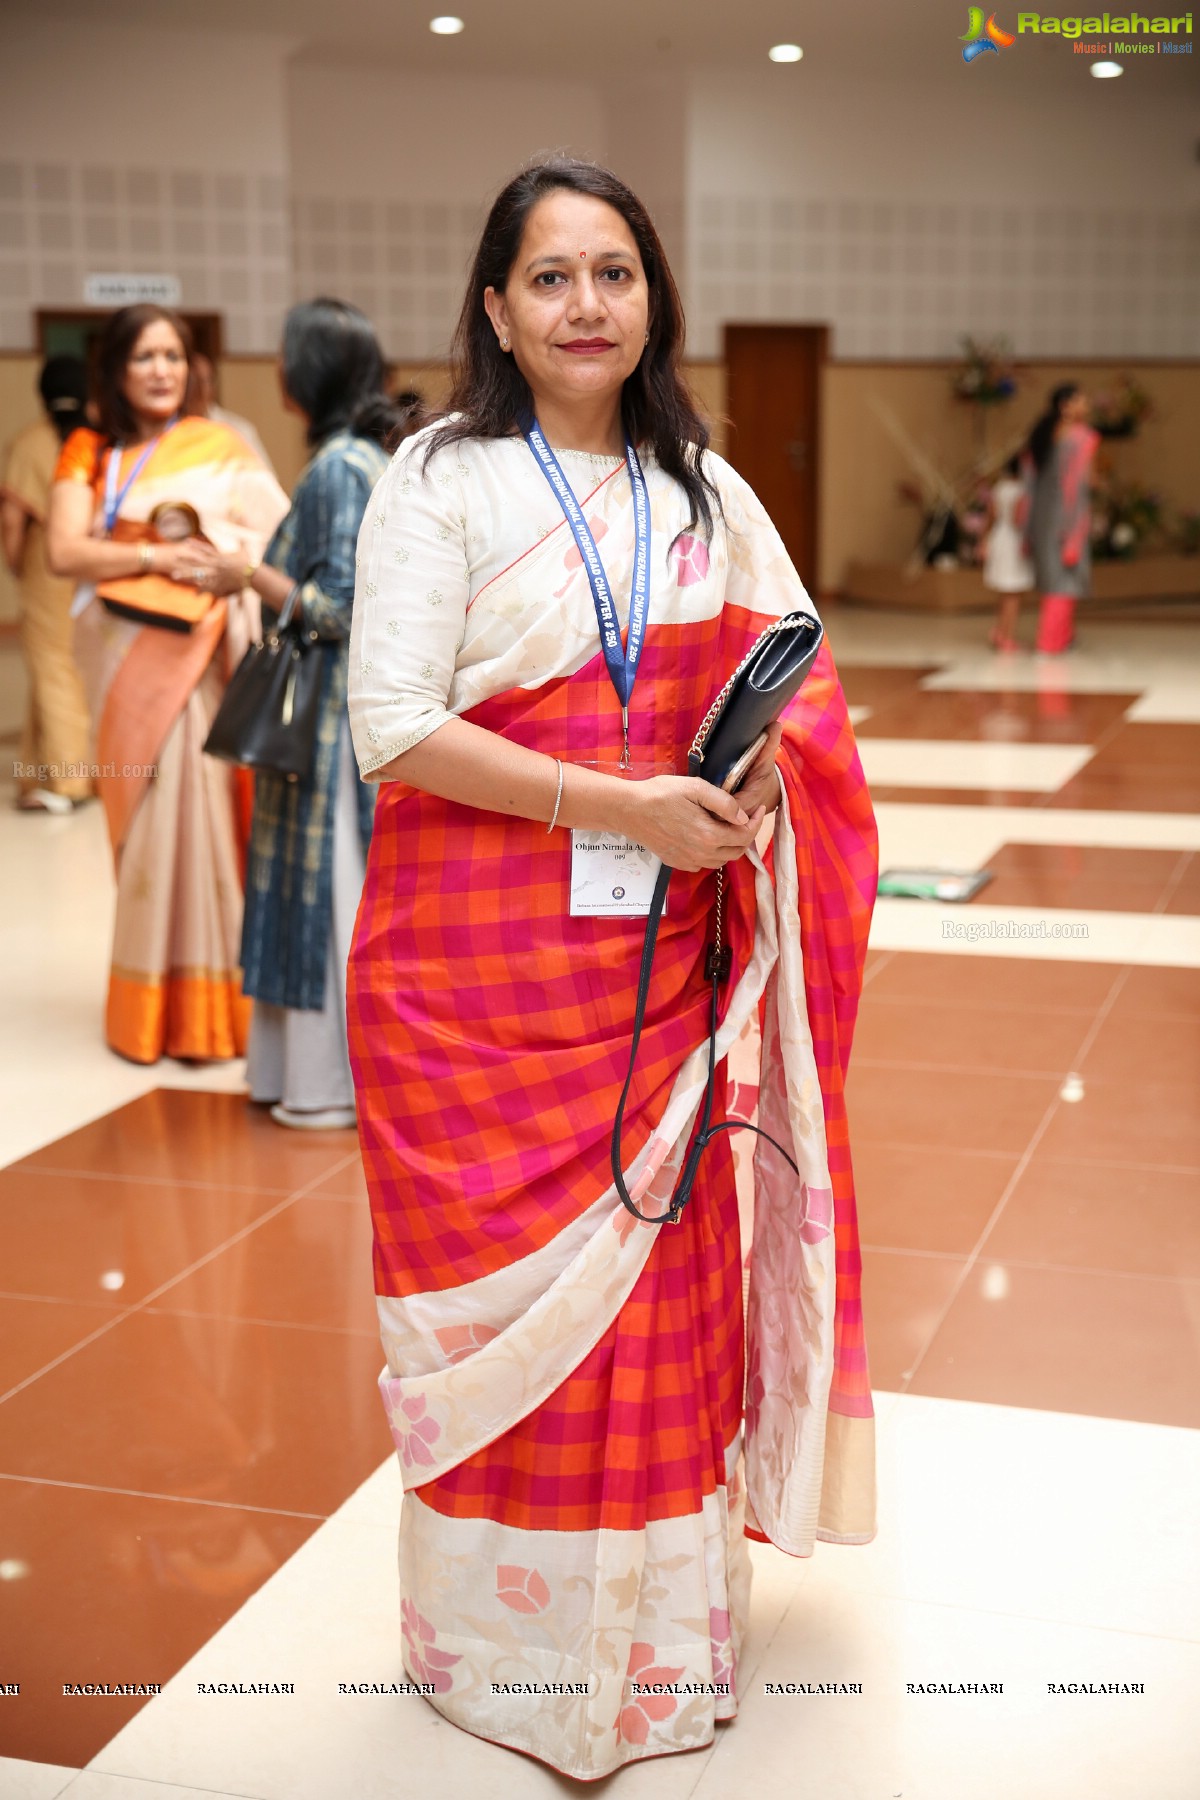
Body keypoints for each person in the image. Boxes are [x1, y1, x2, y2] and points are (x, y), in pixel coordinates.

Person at [347, 159, 878, 1779]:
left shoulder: (706, 496)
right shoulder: (438, 480)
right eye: (553, 278)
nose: (588, 306)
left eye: (616, 274)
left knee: (660, 1312)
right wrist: (620, 802)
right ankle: (503, 1663)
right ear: (497, 308)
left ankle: (646, 1658)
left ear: (655, 298)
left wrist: (760, 781)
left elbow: (802, 699)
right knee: (499, 1329)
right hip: (468, 989)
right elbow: (392, 729)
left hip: (653, 984)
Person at [47, 304, 289, 1064]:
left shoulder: (222, 446)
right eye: (145, 357)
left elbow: (276, 539)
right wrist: (152, 559)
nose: (161, 371)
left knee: (206, 817)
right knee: (150, 821)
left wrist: (227, 560)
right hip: (126, 665)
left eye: (174, 357)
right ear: (116, 370)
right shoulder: (91, 452)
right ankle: (150, 1007)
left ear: (193, 369)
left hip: (204, 660)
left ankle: (215, 1011)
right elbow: (63, 551)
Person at [239, 299, 407, 1131]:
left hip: (328, 723)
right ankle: (315, 1079)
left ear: (307, 374)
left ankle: (324, 1084)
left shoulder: (340, 466)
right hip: (341, 718)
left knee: (323, 893)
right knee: (333, 892)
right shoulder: (367, 458)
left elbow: (337, 607)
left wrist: (247, 573)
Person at [1, 355, 93, 811]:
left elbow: (12, 519)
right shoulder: (97, 442)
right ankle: (37, 775)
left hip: (46, 566)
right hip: (92, 566)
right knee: (68, 667)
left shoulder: (30, 442)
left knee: (53, 668)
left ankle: (70, 783)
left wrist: (16, 563)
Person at [1026, 382, 1099, 655]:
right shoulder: (1082, 437)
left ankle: (1062, 635)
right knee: (1065, 579)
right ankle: (1051, 640)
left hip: (1043, 516)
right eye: (1082, 400)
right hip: (1069, 516)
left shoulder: (1043, 435)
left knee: (1053, 576)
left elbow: (1030, 481)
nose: (1087, 405)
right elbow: (1081, 483)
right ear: (1065, 405)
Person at [191, 352, 276, 474]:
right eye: (195, 382)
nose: (200, 389)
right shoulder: (168, 430)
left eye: (206, 381)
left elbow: (265, 479)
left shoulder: (238, 429)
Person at [984, 453, 1034, 653]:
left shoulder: (1000, 488)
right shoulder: (1022, 491)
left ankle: (999, 631)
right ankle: (1007, 635)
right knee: (1013, 592)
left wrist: (983, 541)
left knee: (1004, 592)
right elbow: (1017, 520)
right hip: (1014, 541)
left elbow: (991, 515)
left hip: (999, 537)